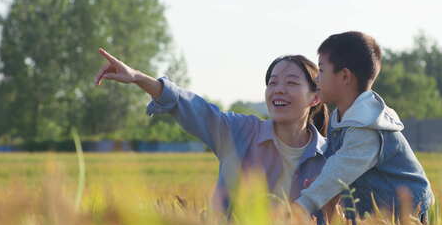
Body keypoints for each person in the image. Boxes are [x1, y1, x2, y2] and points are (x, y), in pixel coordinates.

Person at [94, 49, 329, 216]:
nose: (279, 90)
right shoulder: (240, 133)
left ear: (315, 98)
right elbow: (192, 107)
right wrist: (138, 77)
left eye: (291, 83)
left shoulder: (330, 157)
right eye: (273, 83)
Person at [294, 32, 435, 225]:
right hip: (374, 217)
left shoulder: (366, 128)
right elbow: (331, 163)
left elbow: (336, 174)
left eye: (321, 70)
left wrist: (299, 208)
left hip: (405, 217)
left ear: (344, 76)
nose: (316, 79)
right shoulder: (343, 119)